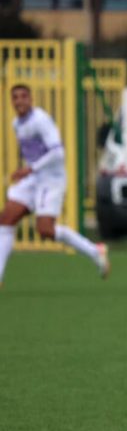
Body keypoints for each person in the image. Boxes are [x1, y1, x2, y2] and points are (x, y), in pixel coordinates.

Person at [0, 84, 110, 286]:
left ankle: (95, 251)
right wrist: (30, 171)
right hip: (34, 178)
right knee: (6, 220)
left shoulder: (40, 120)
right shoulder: (17, 123)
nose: (19, 101)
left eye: (23, 96)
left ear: (31, 99)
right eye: (15, 97)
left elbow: (58, 152)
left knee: (45, 231)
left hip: (51, 179)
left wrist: (30, 169)